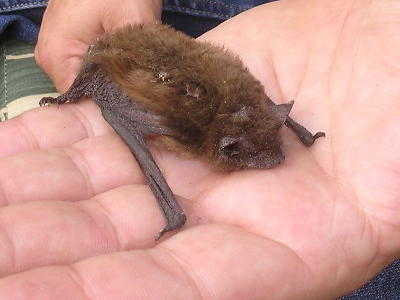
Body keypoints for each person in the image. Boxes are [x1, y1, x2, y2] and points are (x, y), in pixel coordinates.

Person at [0, 0, 399, 298]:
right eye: (250, 153)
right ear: (224, 150)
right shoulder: (182, 127)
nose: (273, 157)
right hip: (100, 50)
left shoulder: (250, 96)